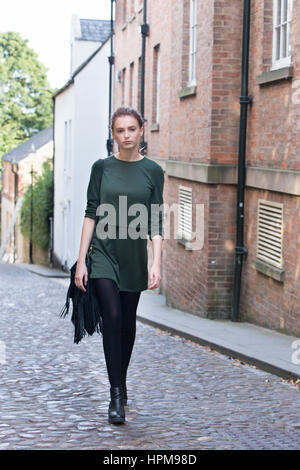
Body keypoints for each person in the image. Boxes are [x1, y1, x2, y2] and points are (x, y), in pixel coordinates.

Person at [75, 106, 165, 424]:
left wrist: (156, 262)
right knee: (111, 315)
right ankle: (115, 397)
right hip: (102, 252)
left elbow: (155, 220)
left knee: (126, 323)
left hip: (133, 257)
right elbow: (90, 213)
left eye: (131, 129)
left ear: (141, 131)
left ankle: (121, 384)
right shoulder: (101, 168)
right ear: (112, 134)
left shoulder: (153, 171)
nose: (125, 135)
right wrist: (80, 261)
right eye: (119, 130)